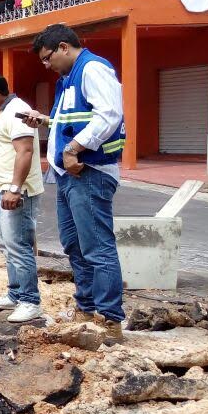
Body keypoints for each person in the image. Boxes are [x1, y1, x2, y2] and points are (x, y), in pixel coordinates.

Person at [22, 24, 126, 342]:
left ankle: (110, 320)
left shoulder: (92, 69)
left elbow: (109, 115)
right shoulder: (67, 80)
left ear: (64, 47)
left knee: (97, 248)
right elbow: (75, 119)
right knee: (74, 245)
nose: (46, 64)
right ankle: (86, 307)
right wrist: (46, 121)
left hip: (88, 173)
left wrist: (73, 148)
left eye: (47, 57)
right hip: (68, 175)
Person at [0, 73, 44, 323]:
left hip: (16, 193)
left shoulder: (18, 111)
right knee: (8, 246)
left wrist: (15, 189)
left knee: (19, 246)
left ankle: (30, 301)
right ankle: (15, 294)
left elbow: (25, 151)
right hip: (0, 192)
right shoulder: (1, 114)